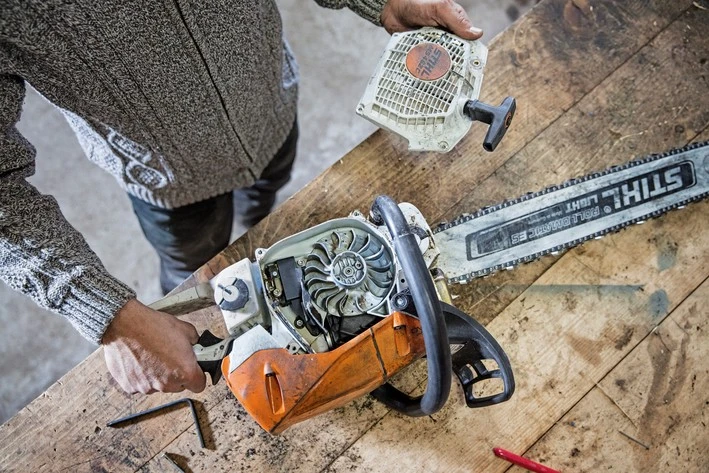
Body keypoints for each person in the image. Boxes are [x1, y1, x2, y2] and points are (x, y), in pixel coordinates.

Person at [0, 0, 483, 395]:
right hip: (166, 180)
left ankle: (254, 230)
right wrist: (109, 315)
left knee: (263, 208)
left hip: (270, 116)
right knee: (191, 264)